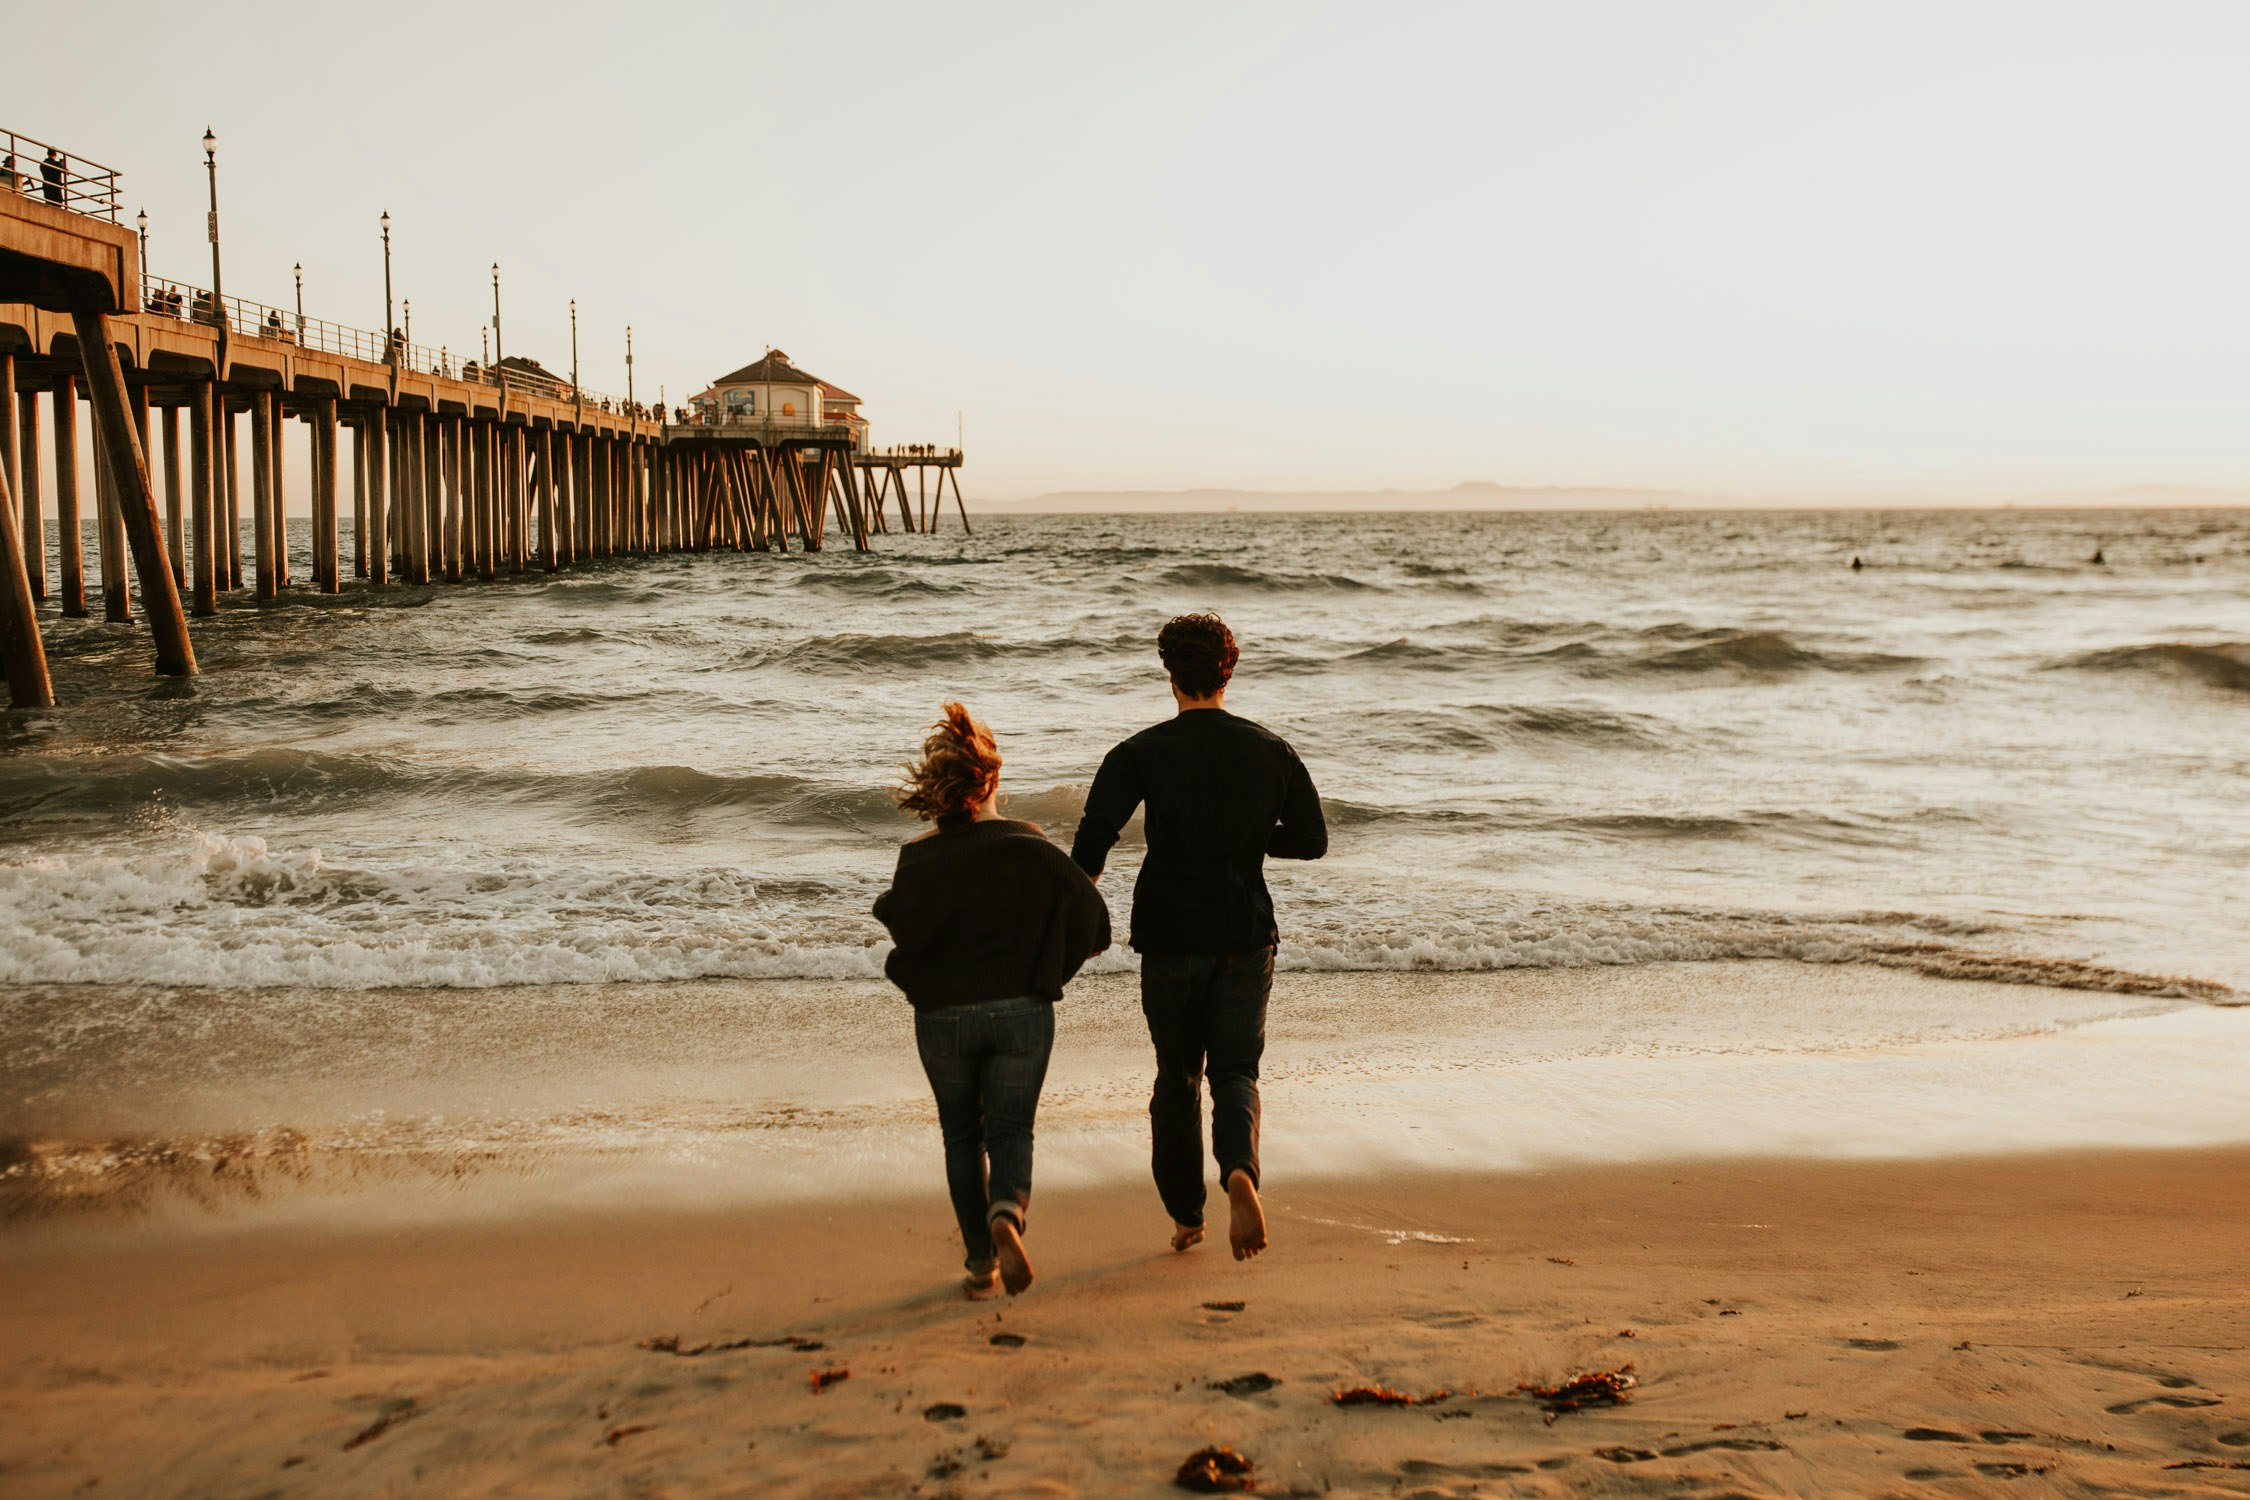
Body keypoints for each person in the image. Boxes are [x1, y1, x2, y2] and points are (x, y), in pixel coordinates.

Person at [1071, 614, 1326, 1263]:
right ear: (1228, 670)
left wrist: (1069, 915)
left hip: (1170, 938)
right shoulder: (1270, 749)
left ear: (1170, 673)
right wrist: (1248, 838)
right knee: (1236, 1071)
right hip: (1245, 934)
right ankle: (1239, 1171)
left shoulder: (1139, 753)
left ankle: (1188, 1216)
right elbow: (1311, 840)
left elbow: (1092, 841)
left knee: (1176, 1079)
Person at [874, 704, 1110, 1297]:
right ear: (993, 781)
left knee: (960, 1135)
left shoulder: (917, 858)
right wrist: (1048, 972)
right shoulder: (1032, 847)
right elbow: (1097, 928)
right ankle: (1006, 1212)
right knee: (1010, 1131)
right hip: (1021, 1012)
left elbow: (901, 926)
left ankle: (980, 1264)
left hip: (943, 1017)